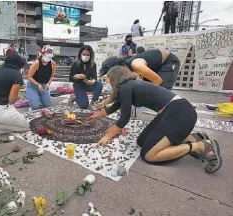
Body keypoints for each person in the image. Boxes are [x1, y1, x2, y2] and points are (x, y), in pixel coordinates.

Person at [89, 66, 222, 173]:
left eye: (108, 81)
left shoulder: (126, 88)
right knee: (142, 141)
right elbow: (115, 107)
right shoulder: (129, 86)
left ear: (115, 80)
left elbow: (124, 119)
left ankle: (201, 146)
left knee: (148, 155)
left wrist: (107, 137)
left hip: (179, 114)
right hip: (174, 112)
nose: (108, 85)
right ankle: (193, 138)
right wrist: (96, 115)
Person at [68, 45, 103, 110]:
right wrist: (76, 76)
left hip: (88, 85)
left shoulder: (93, 64)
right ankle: (74, 97)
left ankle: (93, 102)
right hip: (79, 86)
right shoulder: (75, 64)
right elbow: (70, 78)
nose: (85, 56)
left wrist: (93, 81)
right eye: (83, 54)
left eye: (87, 55)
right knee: (84, 106)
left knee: (99, 84)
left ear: (91, 55)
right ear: (80, 54)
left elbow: (94, 76)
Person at [26, 45, 56, 110]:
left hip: (44, 85)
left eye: (50, 57)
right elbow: (29, 77)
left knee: (47, 104)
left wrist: (48, 84)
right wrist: (38, 85)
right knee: (35, 106)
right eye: (46, 56)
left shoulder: (53, 63)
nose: (48, 58)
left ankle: (37, 97)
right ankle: (33, 97)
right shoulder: (36, 63)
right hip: (33, 85)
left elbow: (52, 76)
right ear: (42, 54)